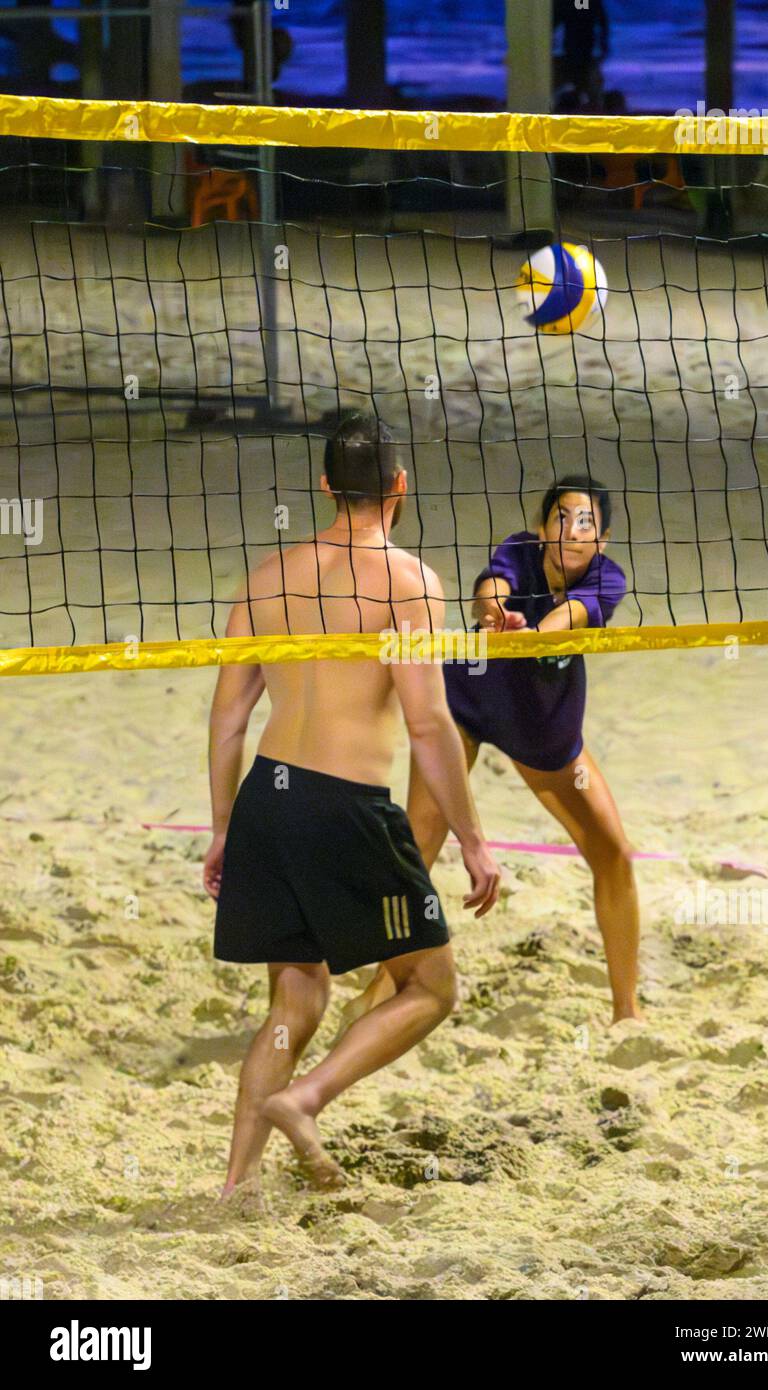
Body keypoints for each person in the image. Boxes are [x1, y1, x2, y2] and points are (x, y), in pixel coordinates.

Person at [202, 412, 500, 1196]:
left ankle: (237, 1182)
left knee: (294, 995)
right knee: (430, 986)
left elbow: (229, 718)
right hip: (346, 807)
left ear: (327, 485)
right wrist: (472, 839)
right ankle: (305, 1099)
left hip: (269, 799)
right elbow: (430, 721)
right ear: (400, 486)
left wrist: (224, 827)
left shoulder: (265, 579)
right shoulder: (410, 583)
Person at [354, 474, 641, 1027]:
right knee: (418, 845)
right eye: (562, 518)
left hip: (543, 731)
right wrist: (496, 617)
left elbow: (570, 617)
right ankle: (381, 984)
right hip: (465, 703)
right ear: (542, 528)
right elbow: (490, 589)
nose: (572, 531)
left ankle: (626, 1012)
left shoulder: (608, 580)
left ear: (601, 540)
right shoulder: (519, 549)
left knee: (615, 855)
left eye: (586, 523)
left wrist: (531, 634)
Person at [554, 0, 610, 112]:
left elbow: (602, 21)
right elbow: (554, 20)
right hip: (572, 50)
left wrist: (603, 43)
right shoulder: (570, 4)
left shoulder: (587, 3)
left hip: (585, 50)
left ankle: (594, 107)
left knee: (589, 82)